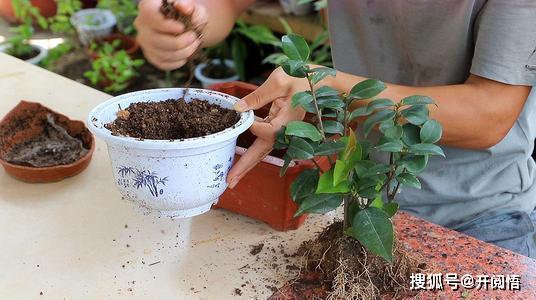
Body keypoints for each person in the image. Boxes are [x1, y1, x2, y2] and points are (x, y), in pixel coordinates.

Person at [135, 0, 536, 257]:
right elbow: (225, 5)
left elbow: (488, 115)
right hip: (357, 199)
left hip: (481, 217)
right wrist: (186, 21)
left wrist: (325, 87)